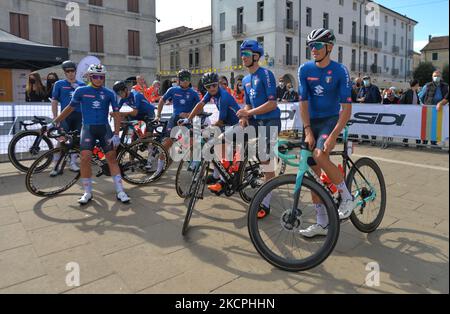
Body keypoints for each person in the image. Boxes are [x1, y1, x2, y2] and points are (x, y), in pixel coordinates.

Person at [297, 28, 358, 238]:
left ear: (329, 47)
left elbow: (347, 109)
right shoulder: (304, 70)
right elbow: (303, 103)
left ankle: (346, 196)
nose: (313, 49)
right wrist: (307, 130)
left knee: (320, 154)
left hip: (330, 120)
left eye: (317, 45)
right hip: (311, 122)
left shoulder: (340, 71)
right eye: (311, 46)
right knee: (311, 173)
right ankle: (321, 223)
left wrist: (333, 136)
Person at [50, 64, 130, 205]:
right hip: (87, 128)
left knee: (111, 158)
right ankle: (87, 192)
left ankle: (120, 190)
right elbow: (69, 108)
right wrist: (54, 122)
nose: (99, 79)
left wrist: (116, 134)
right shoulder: (81, 91)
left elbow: (117, 115)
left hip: (104, 129)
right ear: (90, 77)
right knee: (85, 158)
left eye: (101, 77)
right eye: (95, 76)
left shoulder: (109, 93)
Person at [236, 39, 281, 219]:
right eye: (242, 55)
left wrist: (249, 113)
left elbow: (272, 103)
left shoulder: (266, 74)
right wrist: (245, 115)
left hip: (270, 120)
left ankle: (266, 202)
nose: (243, 58)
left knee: (265, 160)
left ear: (256, 56)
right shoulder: (246, 79)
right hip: (255, 121)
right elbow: (247, 103)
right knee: (232, 138)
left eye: (246, 55)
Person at [180, 72, 242, 190]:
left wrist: (208, 127)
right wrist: (188, 119)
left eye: (214, 85)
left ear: (217, 84)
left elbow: (220, 121)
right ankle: (216, 175)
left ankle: (224, 180)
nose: (211, 88)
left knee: (219, 145)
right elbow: (200, 104)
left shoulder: (224, 97)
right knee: (212, 145)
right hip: (227, 123)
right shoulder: (210, 93)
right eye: (208, 87)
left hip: (237, 124)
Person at [155, 69, 201, 175]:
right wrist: (158, 115)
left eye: (187, 79)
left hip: (187, 120)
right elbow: (162, 100)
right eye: (183, 79)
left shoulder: (193, 93)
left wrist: (189, 114)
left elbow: (200, 108)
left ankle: (195, 166)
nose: (185, 81)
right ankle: (158, 169)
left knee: (192, 142)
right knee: (166, 144)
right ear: (178, 80)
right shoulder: (172, 90)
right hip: (174, 119)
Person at [51, 60, 86, 174]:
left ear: (75, 72)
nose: (70, 73)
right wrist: (56, 118)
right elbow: (55, 102)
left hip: (79, 115)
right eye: (68, 71)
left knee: (75, 141)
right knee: (62, 139)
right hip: (65, 116)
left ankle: (73, 163)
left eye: (72, 71)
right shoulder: (59, 84)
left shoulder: (82, 85)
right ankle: (56, 165)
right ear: (64, 72)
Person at [419, 70, 449, 146]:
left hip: (441, 110)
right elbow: (420, 97)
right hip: (429, 109)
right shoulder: (427, 86)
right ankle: (424, 143)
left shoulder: (445, 86)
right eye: (435, 76)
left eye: (438, 76)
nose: (436, 77)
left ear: (441, 77)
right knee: (427, 126)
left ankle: (434, 143)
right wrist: (424, 105)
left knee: (437, 127)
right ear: (432, 77)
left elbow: (447, 98)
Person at [399, 80, 420, 147]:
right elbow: (401, 101)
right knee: (407, 127)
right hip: (408, 113)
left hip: (415, 113)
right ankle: (405, 141)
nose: (418, 86)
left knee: (416, 128)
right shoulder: (407, 92)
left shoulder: (416, 92)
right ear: (415, 85)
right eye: (418, 84)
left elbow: (417, 102)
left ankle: (418, 143)